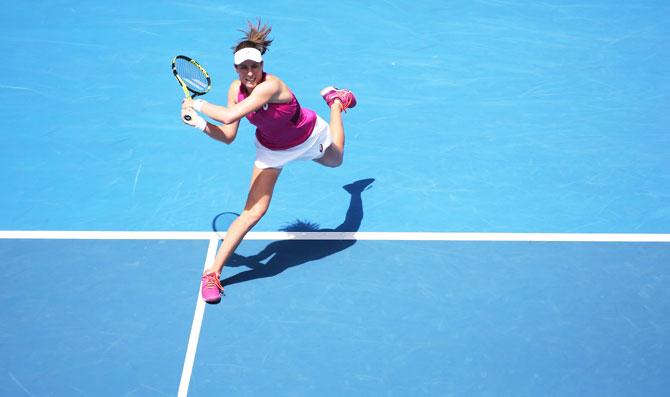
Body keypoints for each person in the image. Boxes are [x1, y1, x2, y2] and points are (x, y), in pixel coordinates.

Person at [180, 20, 357, 303]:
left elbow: (226, 116)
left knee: (336, 160)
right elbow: (227, 134)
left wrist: (197, 104)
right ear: (236, 69)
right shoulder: (234, 90)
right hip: (272, 150)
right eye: (243, 67)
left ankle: (336, 102)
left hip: (309, 137)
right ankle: (212, 273)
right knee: (252, 212)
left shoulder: (271, 87)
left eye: (255, 66)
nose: (250, 72)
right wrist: (200, 124)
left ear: (262, 65)